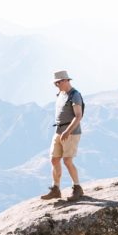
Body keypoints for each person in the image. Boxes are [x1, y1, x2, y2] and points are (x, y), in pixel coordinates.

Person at [40, 70, 85, 201]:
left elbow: (78, 116)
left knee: (67, 160)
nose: (56, 85)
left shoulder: (75, 95)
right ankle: (56, 189)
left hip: (70, 132)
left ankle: (77, 188)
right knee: (54, 159)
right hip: (59, 131)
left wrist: (68, 131)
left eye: (58, 82)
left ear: (66, 80)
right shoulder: (61, 94)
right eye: (55, 83)